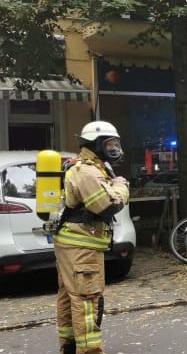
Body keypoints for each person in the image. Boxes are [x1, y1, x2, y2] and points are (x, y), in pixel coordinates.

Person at [54, 120, 130, 354]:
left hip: (72, 244)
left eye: (115, 143)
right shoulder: (87, 170)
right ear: (95, 144)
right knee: (88, 301)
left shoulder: (84, 165)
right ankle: (89, 350)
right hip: (82, 246)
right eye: (109, 143)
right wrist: (122, 187)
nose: (114, 148)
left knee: (70, 297)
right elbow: (105, 206)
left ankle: (69, 346)